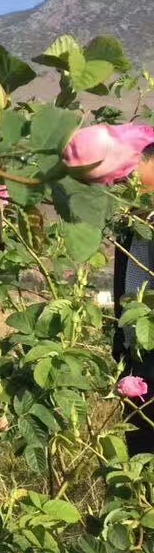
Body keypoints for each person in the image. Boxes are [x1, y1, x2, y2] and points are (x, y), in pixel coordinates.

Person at [111, 143, 154, 455]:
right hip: (136, 366)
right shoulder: (128, 229)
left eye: (133, 177)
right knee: (140, 459)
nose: (126, 186)